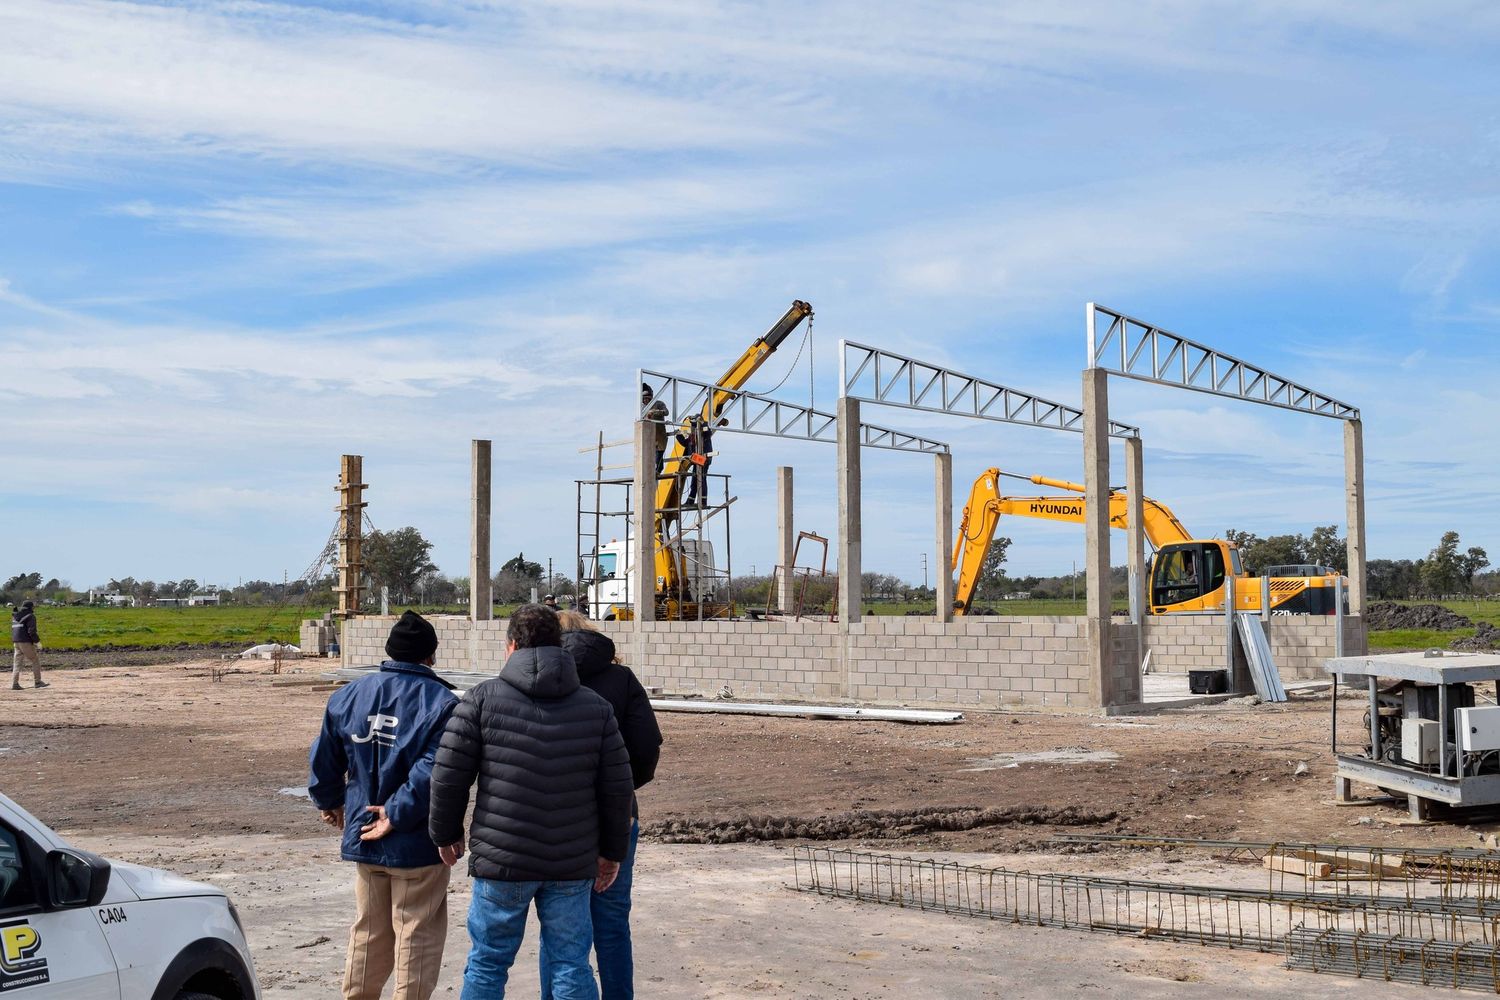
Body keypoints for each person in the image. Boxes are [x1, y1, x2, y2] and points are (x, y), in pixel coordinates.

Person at [429, 604, 633, 1000]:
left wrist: (445, 833)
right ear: (560, 646)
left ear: (511, 646)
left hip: (503, 861)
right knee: (571, 964)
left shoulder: (481, 700)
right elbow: (617, 788)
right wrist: (612, 851)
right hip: (572, 864)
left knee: (487, 963)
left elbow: (448, 775)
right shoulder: (595, 708)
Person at [308, 610, 458, 1000]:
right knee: (416, 933)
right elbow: (433, 770)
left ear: (389, 652)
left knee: (369, 932)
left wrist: (330, 801)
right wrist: (395, 813)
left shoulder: (348, 694)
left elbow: (324, 758)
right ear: (431, 656)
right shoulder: (442, 701)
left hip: (363, 833)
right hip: (416, 842)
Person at [540, 611, 661, 1000]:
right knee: (611, 924)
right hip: (619, 816)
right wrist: (621, 789)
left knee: (559, 926)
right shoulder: (622, 680)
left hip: (557, 818)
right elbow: (645, 747)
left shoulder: (539, 677)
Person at [10, 601, 45, 691]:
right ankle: (38, 682)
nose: (34, 609)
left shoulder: (15, 616)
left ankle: (15, 683)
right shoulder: (30, 616)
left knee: (17, 663)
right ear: (30, 607)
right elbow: (31, 631)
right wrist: (37, 642)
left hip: (16, 642)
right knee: (35, 660)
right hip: (25, 641)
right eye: (33, 607)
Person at [641, 384, 669, 480]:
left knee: (659, 455)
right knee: (649, 455)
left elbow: (666, 412)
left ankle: (658, 471)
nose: (646, 401)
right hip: (649, 435)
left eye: (647, 398)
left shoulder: (659, 403)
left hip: (660, 434)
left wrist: (654, 411)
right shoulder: (642, 408)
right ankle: (650, 472)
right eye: (644, 399)